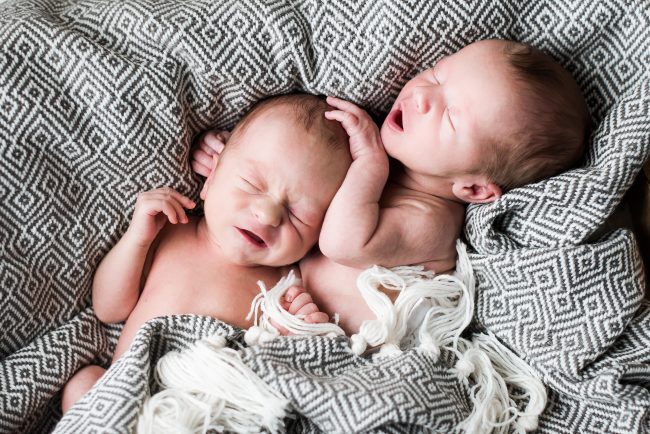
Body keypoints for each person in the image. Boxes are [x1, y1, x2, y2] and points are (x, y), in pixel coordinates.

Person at [192, 39, 590, 335]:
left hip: (362, 351)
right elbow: (295, 186)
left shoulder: (430, 220)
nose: (422, 98)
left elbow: (340, 243)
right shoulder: (382, 172)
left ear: (473, 190)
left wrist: (370, 163)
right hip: (295, 316)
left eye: (451, 117)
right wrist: (229, 162)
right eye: (436, 75)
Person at [60, 94, 352, 414]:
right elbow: (108, 309)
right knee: (83, 384)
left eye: (298, 214)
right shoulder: (171, 232)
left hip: (205, 415)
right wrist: (136, 239)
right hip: (129, 401)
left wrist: (292, 332)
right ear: (211, 177)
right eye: (252, 184)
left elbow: (288, 378)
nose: (268, 214)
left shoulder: (287, 288)